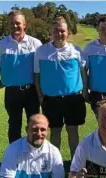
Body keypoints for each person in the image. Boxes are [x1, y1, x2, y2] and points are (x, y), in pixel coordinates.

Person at [34, 16, 87, 159]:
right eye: (55, 31)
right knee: (55, 132)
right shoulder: (41, 51)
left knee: (73, 131)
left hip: (73, 99)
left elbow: (83, 73)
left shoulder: (76, 51)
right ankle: (55, 163)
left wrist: (84, 92)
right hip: (51, 100)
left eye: (62, 31)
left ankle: (75, 163)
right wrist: (40, 96)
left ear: (67, 32)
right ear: (50, 32)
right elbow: (37, 75)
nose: (59, 34)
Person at [0, 114, 70, 178]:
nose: (39, 134)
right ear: (27, 129)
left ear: (47, 131)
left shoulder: (53, 152)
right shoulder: (13, 149)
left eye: (43, 129)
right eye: (35, 129)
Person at [0, 10, 42, 143]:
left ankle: (34, 154)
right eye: (12, 23)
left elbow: (40, 70)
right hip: (12, 92)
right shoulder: (1, 45)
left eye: (18, 23)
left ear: (24, 24)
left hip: (32, 91)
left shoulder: (36, 44)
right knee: (14, 125)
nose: (15, 26)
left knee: (35, 125)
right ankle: (15, 158)